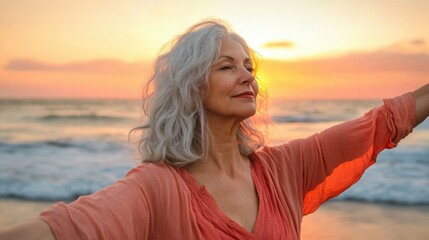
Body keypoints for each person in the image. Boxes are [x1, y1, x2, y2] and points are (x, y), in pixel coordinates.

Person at [0, 19, 428, 240]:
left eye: (249, 67)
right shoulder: (157, 188)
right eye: (226, 67)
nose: (247, 77)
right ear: (191, 87)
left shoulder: (284, 169)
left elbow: (384, 123)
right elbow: (66, 229)